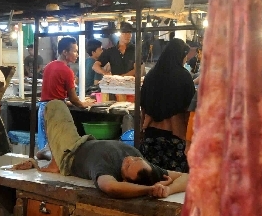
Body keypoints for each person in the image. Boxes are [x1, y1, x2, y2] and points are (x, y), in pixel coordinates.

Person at [16, 100, 188, 199]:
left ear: (125, 180)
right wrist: (168, 189)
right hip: (82, 141)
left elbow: (110, 188)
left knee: (54, 106)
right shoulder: (148, 170)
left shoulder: (107, 170)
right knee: (46, 149)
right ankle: (48, 152)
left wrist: (149, 190)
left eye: (128, 167)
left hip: (70, 154)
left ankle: (56, 161)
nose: (130, 159)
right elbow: (188, 177)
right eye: (136, 160)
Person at [138, 38, 195, 172]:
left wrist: (142, 130)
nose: (185, 60)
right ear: (181, 55)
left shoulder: (151, 75)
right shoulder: (184, 76)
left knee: (153, 181)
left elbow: (143, 107)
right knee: (173, 184)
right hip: (175, 138)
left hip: (151, 137)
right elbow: (190, 110)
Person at [40, 36, 92, 109]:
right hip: (56, 110)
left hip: (43, 109)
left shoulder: (48, 66)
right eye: (74, 51)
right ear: (65, 52)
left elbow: (52, 96)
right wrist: (84, 104)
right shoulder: (67, 71)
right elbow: (73, 99)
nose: (77, 55)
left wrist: (66, 102)